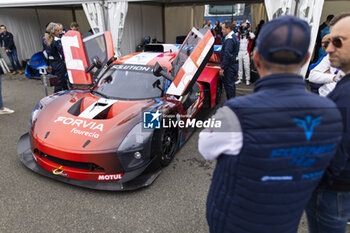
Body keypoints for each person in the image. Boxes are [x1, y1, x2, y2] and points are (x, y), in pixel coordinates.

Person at [199, 15, 343, 233]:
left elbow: (205, 147)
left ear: (256, 58)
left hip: (233, 222)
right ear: (305, 58)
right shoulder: (332, 114)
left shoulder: (234, 113)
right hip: (284, 222)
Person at [306, 12, 350, 233]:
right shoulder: (342, 84)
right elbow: (312, 75)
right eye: (328, 41)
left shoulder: (345, 95)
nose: (329, 48)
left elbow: (336, 153)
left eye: (337, 41)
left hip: (330, 191)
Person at [43, 22, 68, 92]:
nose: (59, 32)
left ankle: (67, 92)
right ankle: (55, 99)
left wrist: (47, 65)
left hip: (52, 64)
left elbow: (45, 53)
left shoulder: (44, 39)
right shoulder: (56, 40)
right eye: (57, 30)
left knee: (62, 81)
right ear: (53, 32)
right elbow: (63, 53)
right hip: (59, 64)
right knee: (58, 84)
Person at [219, 22, 239, 99]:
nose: (221, 31)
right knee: (232, 85)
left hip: (229, 66)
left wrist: (222, 67)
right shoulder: (234, 36)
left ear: (228, 29)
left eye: (223, 29)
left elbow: (227, 54)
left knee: (229, 85)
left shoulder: (229, 39)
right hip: (233, 64)